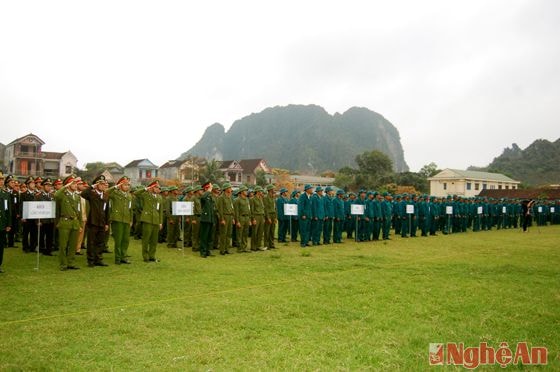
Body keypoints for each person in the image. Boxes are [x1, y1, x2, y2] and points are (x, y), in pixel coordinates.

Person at [81, 175, 110, 267]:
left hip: (102, 222)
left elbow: (106, 211)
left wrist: (106, 223)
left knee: (100, 242)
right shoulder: (91, 194)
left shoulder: (105, 195)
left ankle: (99, 259)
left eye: (104, 184)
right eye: (100, 184)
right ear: (97, 185)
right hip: (93, 222)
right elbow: (83, 194)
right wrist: (92, 186)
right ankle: (91, 260)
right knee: (91, 242)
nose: (103, 186)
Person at [54, 175, 82, 271]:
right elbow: (56, 195)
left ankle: (71, 262)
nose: (75, 185)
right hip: (65, 222)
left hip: (75, 222)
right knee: (63, 245)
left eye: (75, 183)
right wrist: (65, 186)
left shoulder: (77, 196)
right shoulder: (63, 194)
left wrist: (80, 224)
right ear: (68, 184)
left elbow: (79, 211)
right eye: (73, 183)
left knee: (73, 245)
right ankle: (63, 264)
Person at [134, 180, 163, 262]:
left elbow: (160, 211)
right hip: (147, 220)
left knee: (154, 240)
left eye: (159, 187)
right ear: (152, 187)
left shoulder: (159, 197)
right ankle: (145, 256)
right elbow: (136, 193)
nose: (158, 189)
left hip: (156, 220)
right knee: (146, 239)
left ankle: (152, 256)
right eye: (156, 187)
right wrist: (146, 189)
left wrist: (160, 222)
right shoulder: (145, 195)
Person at [108, 176, 133, 264]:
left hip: (126, 219)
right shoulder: (115, 193)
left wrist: (131, 220)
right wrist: (115, 186)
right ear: (120, 185)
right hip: (117, 219)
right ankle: (118, 258)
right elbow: (106, 192)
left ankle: (124, 256)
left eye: (128, 185)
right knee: (118, 239)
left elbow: (130, 209)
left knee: (125, 240)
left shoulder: (129, 195)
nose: (127, 186)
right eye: (125, 185)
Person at [36, 178, 55, 256]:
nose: (49, 187)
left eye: (50, 186)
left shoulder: (52, 195)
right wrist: (38, 221)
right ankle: (41, 249)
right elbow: (36, 208)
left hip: (50, 219)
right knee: (41, 235)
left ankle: (48, 250)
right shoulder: (38, 196)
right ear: (43, 186)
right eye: (47, 185)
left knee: (49, 236)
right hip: (42, 219)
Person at [21, 176, 38, 253]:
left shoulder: (36, 194)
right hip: (27, 216)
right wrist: (22, 216)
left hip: (34, 216)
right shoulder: (24, 194)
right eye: (31, 183)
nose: (33, 184)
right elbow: (21, 205)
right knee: (25, 233)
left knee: (33, 233)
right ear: (27, 185)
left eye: (34, 183)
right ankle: (25, 247)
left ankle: (32, 247)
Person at [216, 182, 234, 255]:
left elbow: (232, 208)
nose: (231, 189)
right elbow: (220, 210)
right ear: (226, 189)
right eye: (230, 188)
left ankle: (227, 249)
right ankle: (222, 250)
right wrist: (222, 219)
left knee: (229, 234)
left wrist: (233, 218)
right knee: (223, 234)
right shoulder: (221, 197)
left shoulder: (230, 197)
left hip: (230, 216)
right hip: (225, 217)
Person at [0, 172, 13, 273]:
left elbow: (8, 210)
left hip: (2, 224)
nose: (1, 181)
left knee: (0, 246)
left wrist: (8, 224)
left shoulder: (5, 194)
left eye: (2, 179)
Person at [199, 182, 215, 258]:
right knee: (204, 237)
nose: (211, 189)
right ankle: (203, 251)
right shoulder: (204, 195)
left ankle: (208, 250)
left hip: (210, 219)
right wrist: (208, 191)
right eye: (209, 188)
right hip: (205, 219)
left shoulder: (210, 197)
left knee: (209, 236)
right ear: (206, 188)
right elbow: (203, 198)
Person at [234, 186, 251, 253]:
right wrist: (237, 221)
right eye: (245, 190)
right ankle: (239, 248)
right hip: (241, 217)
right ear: (241, 192)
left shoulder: (247, 199)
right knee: (239, 233)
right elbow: (236, 211)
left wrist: (249, 219)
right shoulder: (237, 200)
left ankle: (244, 247)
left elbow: (249, 209)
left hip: (247, 217)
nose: (246, 192)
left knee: (245, 233)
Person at [250, 186, 265, 251]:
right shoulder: (252, 199)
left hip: (261, 216)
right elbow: (252, 210)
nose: (262, 192)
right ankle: (253, 247)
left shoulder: (261, 199)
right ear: (258, 192)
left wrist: (263, 217)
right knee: (254, 232)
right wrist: (253, 219)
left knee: (260, 232)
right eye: (261, 191)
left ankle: (258, 246)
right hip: (256, 216)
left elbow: (262, 208)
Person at [263, 184, 277, 249]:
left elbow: (275, 208)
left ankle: (272, 244)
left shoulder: (273, 198)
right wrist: (268, 217)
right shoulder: (265, 198)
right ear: (270, 190)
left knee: (272, 230)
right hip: (268, 215)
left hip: (273, 215)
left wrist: (275, 217)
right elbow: (266, 209)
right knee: (267, 231)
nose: (274, 190)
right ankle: (266, 245)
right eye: (273, 189)